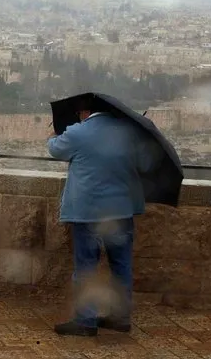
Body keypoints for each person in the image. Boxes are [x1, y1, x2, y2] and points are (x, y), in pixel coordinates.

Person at [47, 97, 159, 337]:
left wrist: (51, 135)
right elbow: (146, 162)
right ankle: (120, 317)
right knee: (121, 265)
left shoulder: (79, 132)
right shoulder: (129, 133)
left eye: (79, 113)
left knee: (86, 266)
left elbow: (55, 149)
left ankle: (85, 320)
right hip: (121, 210)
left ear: (86, 112)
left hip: (88, 211)